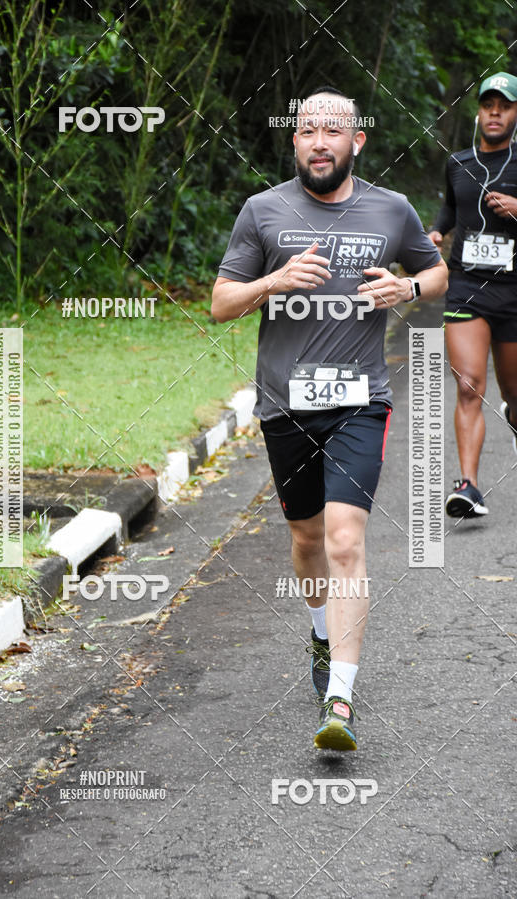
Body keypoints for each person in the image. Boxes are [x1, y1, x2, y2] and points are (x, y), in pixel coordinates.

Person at [212, 87, 447, 751]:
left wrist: (408, 287)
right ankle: (321, 631)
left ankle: (339, 696)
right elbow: (222, 303)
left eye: (332, 131)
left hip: (360, 401)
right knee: (309, 540)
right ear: (294, 142)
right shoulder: (263, 211)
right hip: (287, 406)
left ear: (356, 141)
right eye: (307, 131)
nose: (319, 142)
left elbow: (440, 278)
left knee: (346, 540)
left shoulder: (391, 210)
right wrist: (270, 283)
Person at [429, 72, 517, 519]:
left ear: (516, 112)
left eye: (504, 105)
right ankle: (468, 486)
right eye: (488, 105)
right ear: (479, 111)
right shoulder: (458, 162)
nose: (495, 112)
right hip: (466, 286)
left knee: (515, 393)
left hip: (515, 292)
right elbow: (450, 206)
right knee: (468, 386)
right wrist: (436, 231)